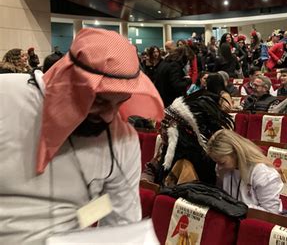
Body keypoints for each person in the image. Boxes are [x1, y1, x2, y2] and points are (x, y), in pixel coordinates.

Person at [0, 28, 164, 244]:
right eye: (99, 101)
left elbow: (121, 226)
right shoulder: (6, 97)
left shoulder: (122, 141)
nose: (109, 116)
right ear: (68, 81)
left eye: (120, 103)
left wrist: (81, 215)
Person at [143, 92, 233, 187]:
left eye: (165, 126)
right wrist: (146, 180)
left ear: (179, 132)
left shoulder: (196, 159)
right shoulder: (166, 147)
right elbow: (152, 167)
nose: (159, 130)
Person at [207, 129, 283, 213]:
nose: (219, 167)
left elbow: (272, 213)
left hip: (255, 221)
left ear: (235, 153)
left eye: (222, 163)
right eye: (217, 162)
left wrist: (237, 207)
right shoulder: (222, 167)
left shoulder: (263, 173)